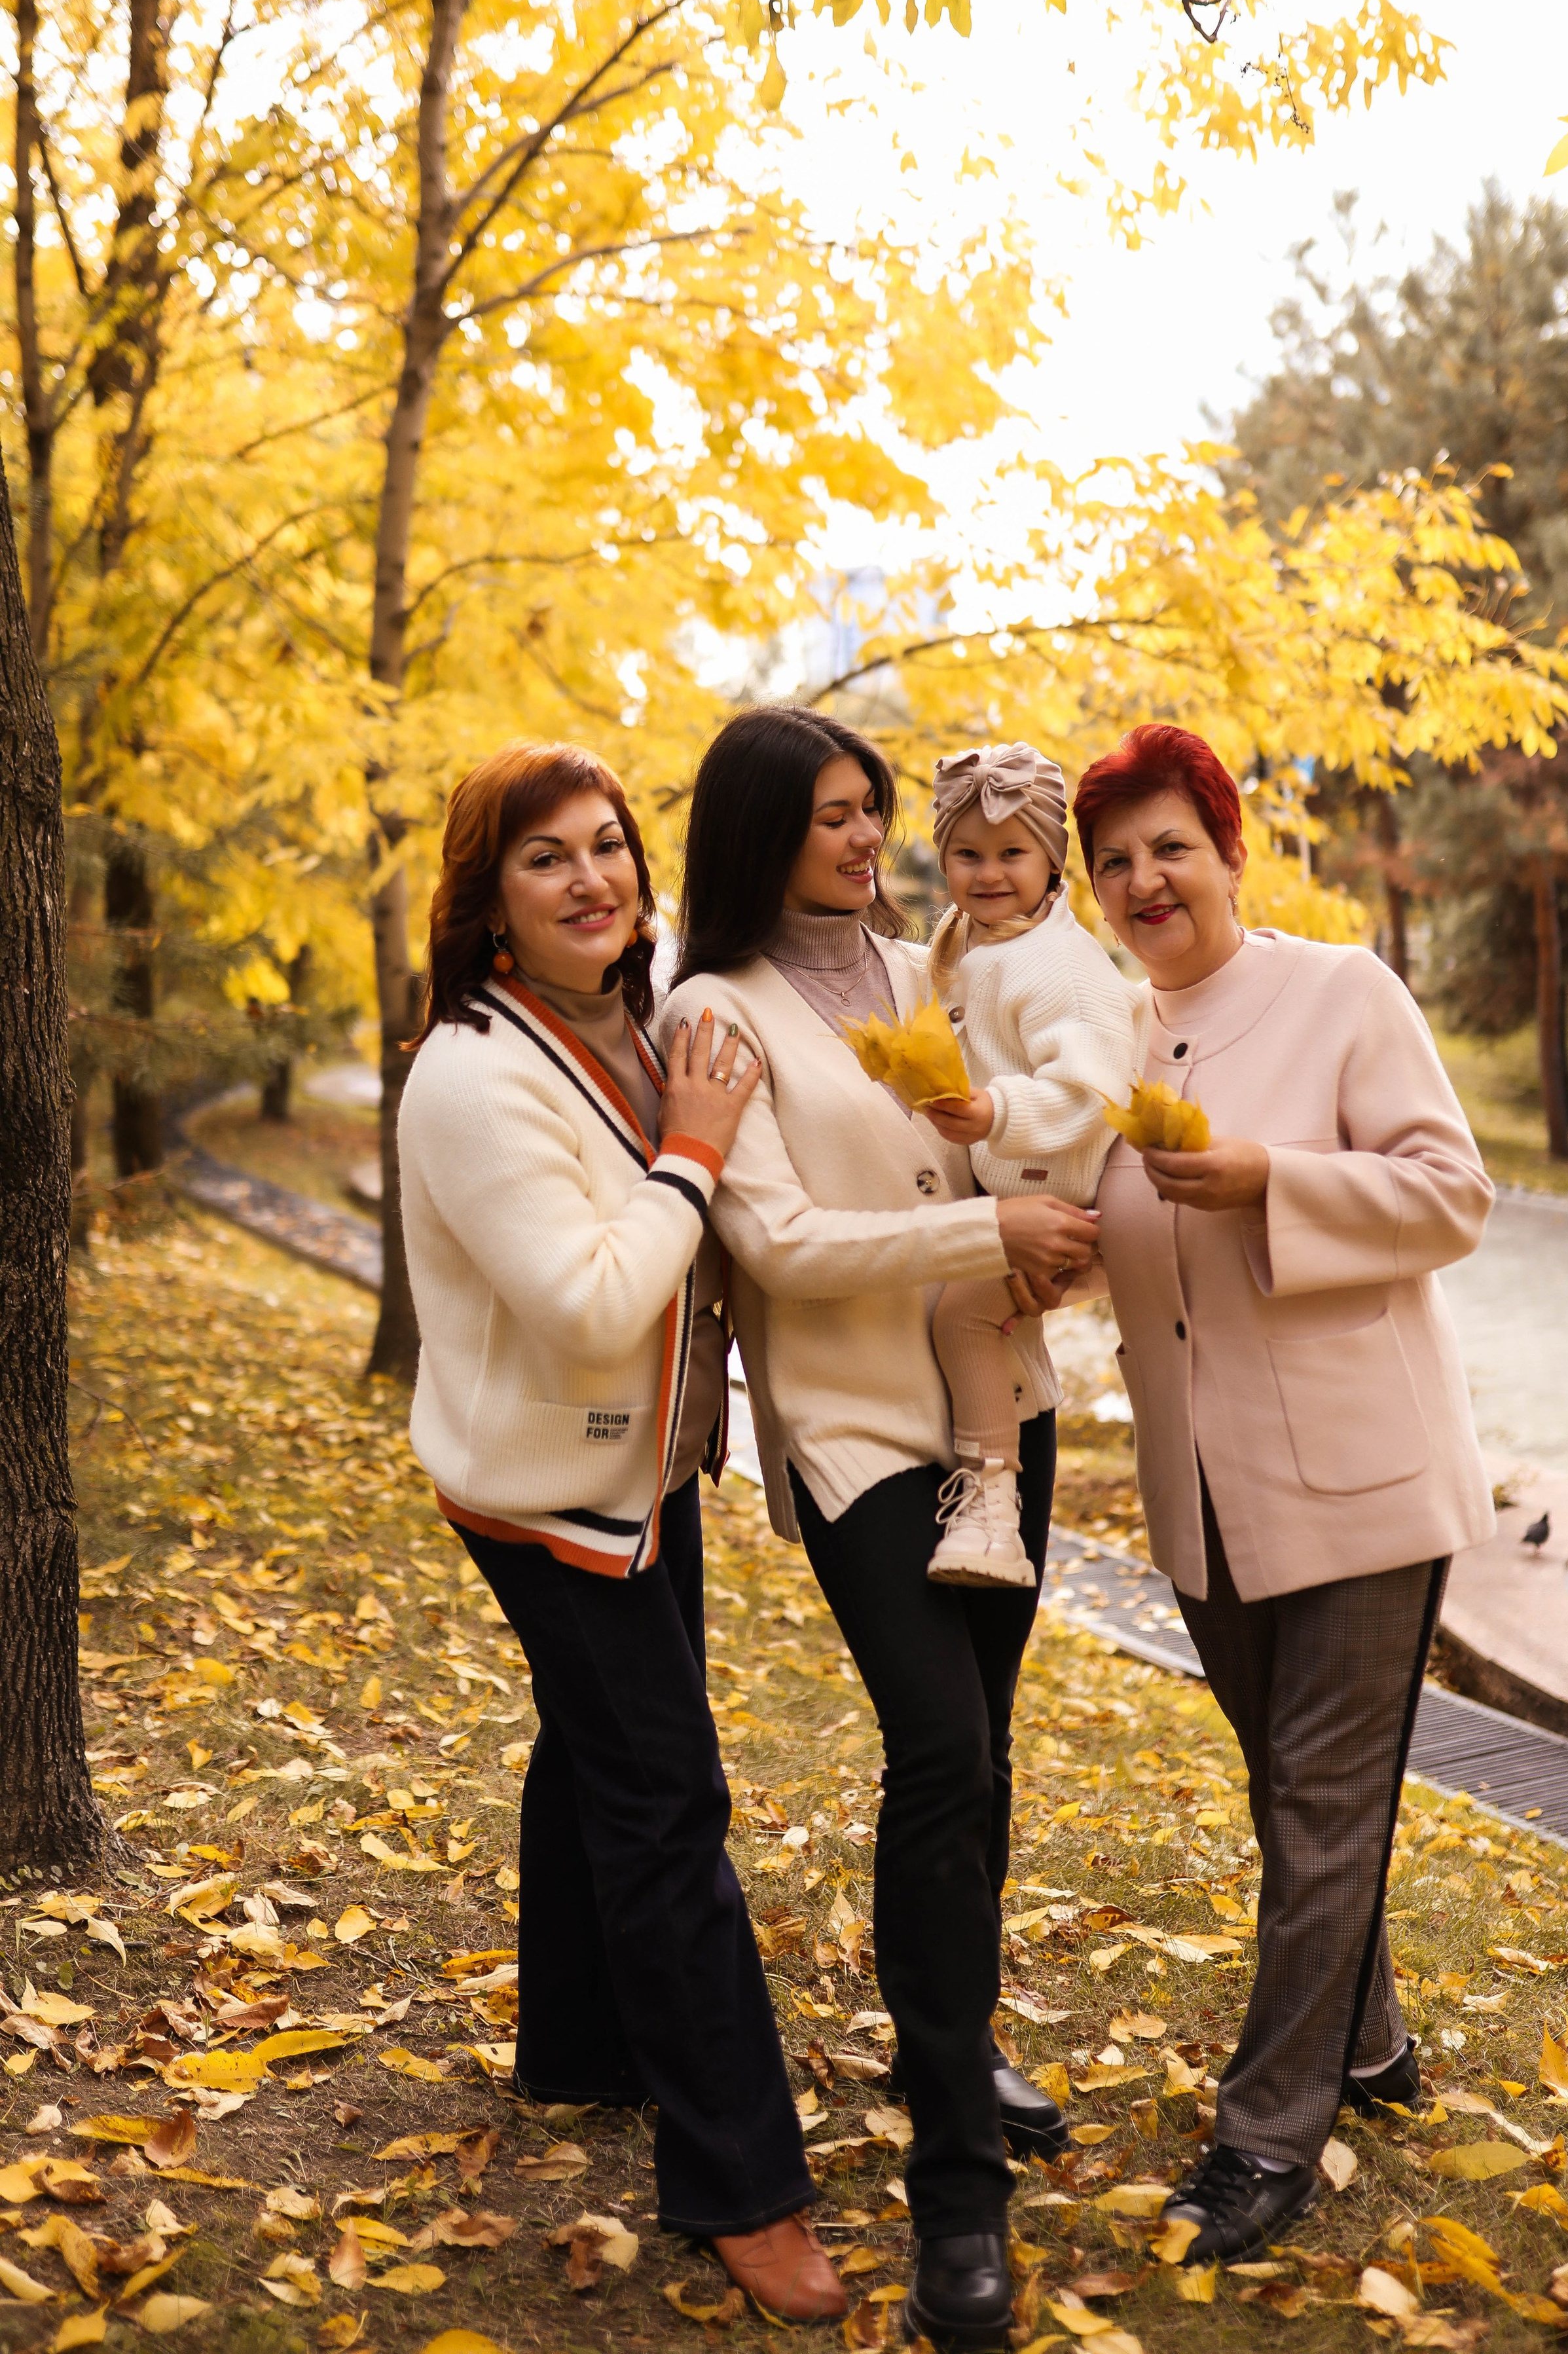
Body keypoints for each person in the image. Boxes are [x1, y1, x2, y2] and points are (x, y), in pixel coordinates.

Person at [668, 705, 1101, 2350]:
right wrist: (990, 1218)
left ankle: (955, 2023)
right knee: (937, 1751)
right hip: (853, 1432)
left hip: (1001, 1406)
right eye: (836, 817)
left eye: (873, 814)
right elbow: (774, 1241)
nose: (869, 839)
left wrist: (1045, 1229)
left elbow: (1053, 1079)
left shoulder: (943, 963)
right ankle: (956, 2189)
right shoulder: (714, 1012)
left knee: (980, 1744)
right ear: (763, 832)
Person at [398, 741, 845, 2321]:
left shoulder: (631, 1019)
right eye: (546, 859)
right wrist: (694, 1150)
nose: (594, 878)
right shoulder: (472, 1072)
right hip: (548, 1490)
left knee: (595, 1752)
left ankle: (578, 2050)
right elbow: (592, 1298)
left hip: (642, 1470)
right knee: (667, 1803)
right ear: (490, 907)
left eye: (608, 846)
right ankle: (742, 2183)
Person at [1074, 722, 1497, 2268]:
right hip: (1201, 1501)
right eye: (1112, 860)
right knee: (1290, 1803)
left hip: (1364, 1484)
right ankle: (1370, 2043)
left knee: (1321, 1812)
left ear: (1227, 849)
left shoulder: (1340, 993)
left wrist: (1272, 1179)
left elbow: (1452, 1193)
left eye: (1166, 846)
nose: (1141, 880)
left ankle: (1265, 2142)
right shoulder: (1110, 1035)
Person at [915, 741, 1140, 1587]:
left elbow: (1093, 1093)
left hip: (1066, 1201)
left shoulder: (1063, 971)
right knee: (978, 1320)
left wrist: (993, 1113)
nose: (988, 873)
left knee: (964, 1318)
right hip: (1014, 1187)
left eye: (1012, 853)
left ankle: (991, 1512)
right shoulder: (973, 940)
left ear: (1053, 862)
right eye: (966, 854)